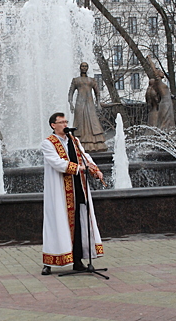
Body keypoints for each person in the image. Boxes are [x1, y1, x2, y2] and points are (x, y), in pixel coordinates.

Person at [40, 112, 104, 275]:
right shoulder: (48, 143)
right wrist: (77, 168)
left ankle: (78, 260)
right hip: (60, 189)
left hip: (78, 186)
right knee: (58, 222)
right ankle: (50, 262)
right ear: (53, 125)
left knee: (79, 221)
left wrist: (95, 169)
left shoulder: (74, 140)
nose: (65, 124)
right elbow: (56, 162)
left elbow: (84, 156)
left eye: (66, 121)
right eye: (61, 122)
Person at [68, 62, 107, 152]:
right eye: (82, 66)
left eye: (86, 66)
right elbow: (70, 93)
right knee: (79, 122)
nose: (84, 68)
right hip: (79, 104)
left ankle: (96, 143)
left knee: (93, 122)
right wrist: (70, 104)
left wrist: (98, 103)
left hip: (90, 103)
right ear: (80, 67)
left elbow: (97, 92)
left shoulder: (92, 80)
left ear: (87, 68)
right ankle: (78, 142)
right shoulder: (76, 80)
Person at [145, 56, 176, 130]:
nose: (163, 73)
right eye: (161, 72)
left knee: (170, 122)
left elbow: (167, 93)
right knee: (164, 122)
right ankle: (162, 136)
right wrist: (150, 60)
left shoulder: (162, 83)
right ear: (158, 74)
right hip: (164, 103)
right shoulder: (158, 81)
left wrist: (172, 96)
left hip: (169, 103)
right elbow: (154, 69)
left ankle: (171, 136)